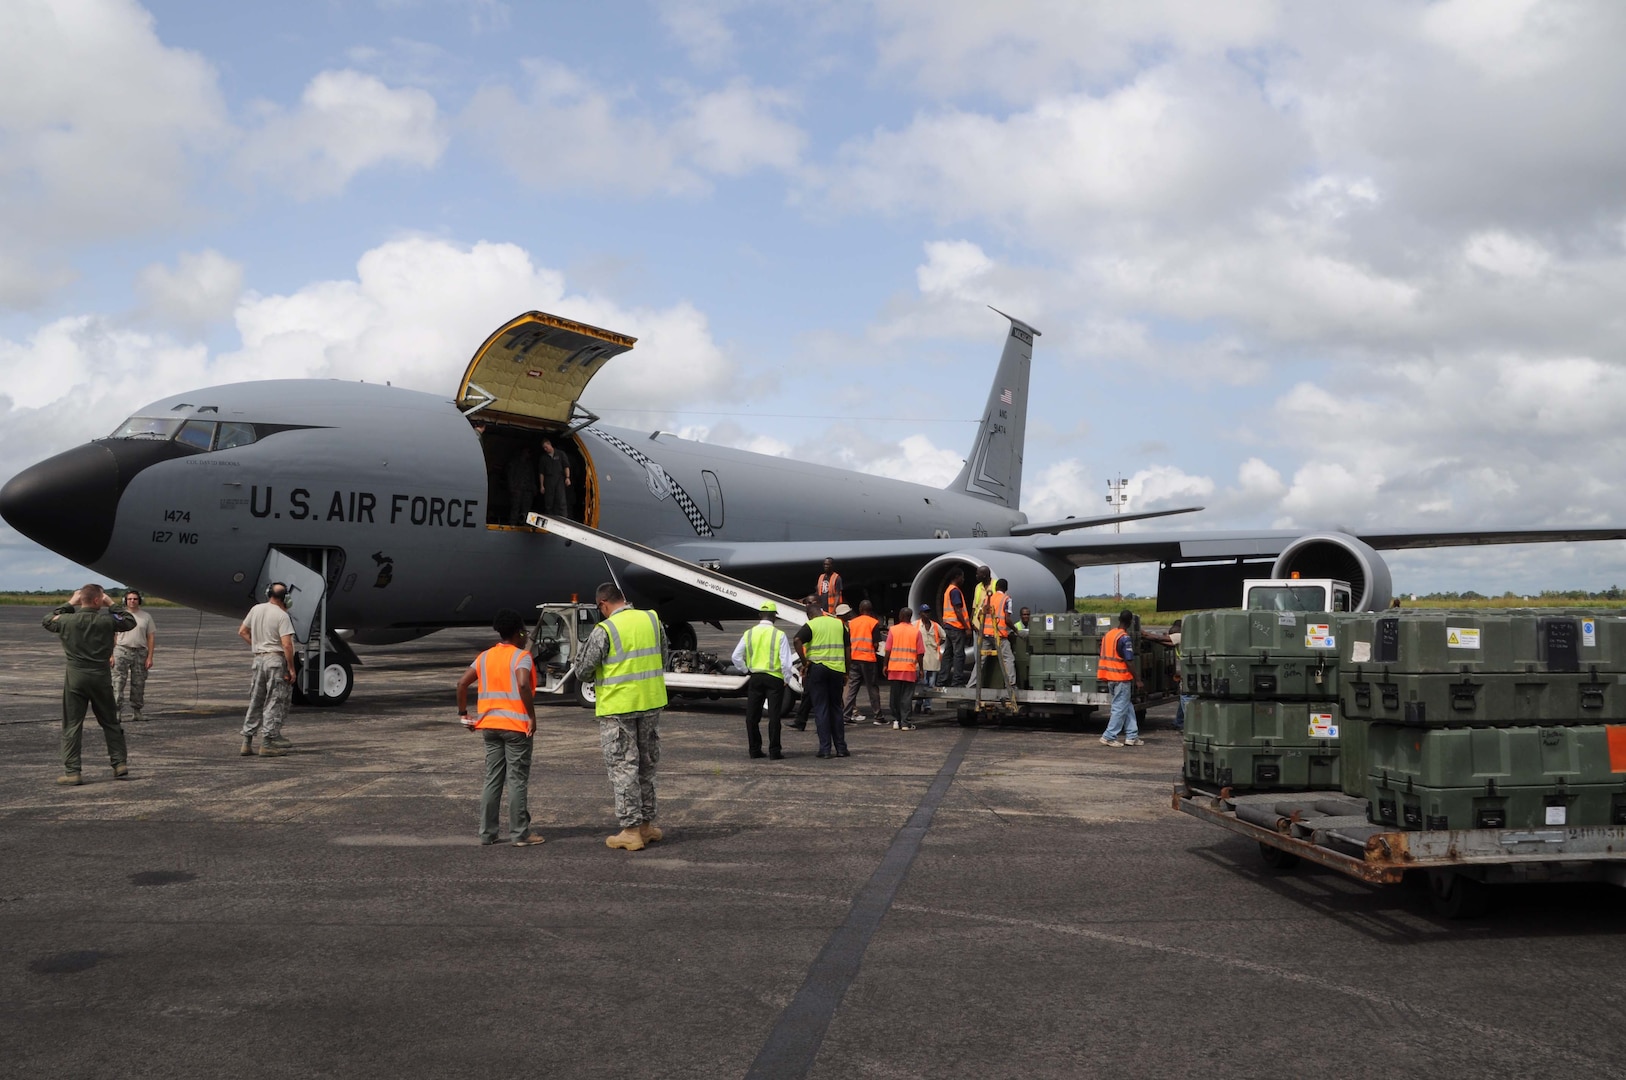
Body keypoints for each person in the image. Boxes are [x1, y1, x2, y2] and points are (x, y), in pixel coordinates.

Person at [574, 582, 668, 851]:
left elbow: (583, 670)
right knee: (646, 766)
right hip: (650, 703)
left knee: (624, 768)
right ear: (623, 599)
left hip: (619, 708)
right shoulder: (652, 619)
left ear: (603, 604)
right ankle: (647, 826)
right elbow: (662, 656)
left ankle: (630, 830)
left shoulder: (605, 629)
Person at [456, 609, 544, 846]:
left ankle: (488, 833)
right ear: (519, 633)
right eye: (524, 632)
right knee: (517, 780)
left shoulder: (484, 657)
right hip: (515, 727)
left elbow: (462, 683)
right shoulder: (521, 657)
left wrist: (464, 714)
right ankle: (520, 834)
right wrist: (531, 716)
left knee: (492, 779)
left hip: (490, 727)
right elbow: (523, 684)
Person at [43, 585, 137, 785]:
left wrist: (70, 603)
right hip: (100, 677)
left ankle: (73, 772)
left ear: (81, 599)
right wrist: (111, 604)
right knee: (110, 721)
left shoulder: (67, 620)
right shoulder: (107, 621)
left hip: (76, 677)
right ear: (98, 601)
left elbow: (47, 620)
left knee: (72, 726)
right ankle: (119, 764)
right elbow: (129, 621)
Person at [238, 583, 298, 758]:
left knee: (256, 699)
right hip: (275, 660)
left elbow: (242, 631)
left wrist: (257, 646)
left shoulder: (256, 609)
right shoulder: (282, 616)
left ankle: (247, 742)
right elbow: (287, 645)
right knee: (274, 700)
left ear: (268, 594)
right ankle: (267, 743)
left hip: (258, 659)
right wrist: (291, 668)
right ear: (285, 598)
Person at [731, 601, 796, 759]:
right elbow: (786, 663)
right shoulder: (779, 634)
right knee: (774, 717)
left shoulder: (749, 633)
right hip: (774, 679)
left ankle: (754, 750)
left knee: (752, 716)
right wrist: (787, 678)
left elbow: (735, 657)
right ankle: (774, 751)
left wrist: (746, 670)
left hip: (756, 677)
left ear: (760, 615)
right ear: (775, 617)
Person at [793, 600, 849, 759]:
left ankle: (825, 749)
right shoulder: (839, 624)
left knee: (821, 709)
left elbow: (797, 640)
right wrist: (846, 672)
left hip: (818, 669)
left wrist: (804, 663)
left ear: (810, 615)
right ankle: (841, 748)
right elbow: (847, 650)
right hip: (837, 669)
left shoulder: (812, 625)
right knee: (836, 708)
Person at [112, 588, 156, 722]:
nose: (132, 601)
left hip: (140, 652)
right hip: (121, 650)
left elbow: (151, 637)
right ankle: (117, 712)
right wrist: (111, 655)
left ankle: (137, 711)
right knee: (118, 682)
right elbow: (112, 635)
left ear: (139, 601)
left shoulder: (146, 617)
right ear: (125, 600)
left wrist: (150, 657)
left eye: (135, 599)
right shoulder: (119, 615)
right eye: (130, 599)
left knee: (139, 683)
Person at [1099, 609, 1142, 747]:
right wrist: (1138, 679)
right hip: (1121, 678)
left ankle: (1132, 736)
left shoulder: (1109, 634)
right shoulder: (1124, 638)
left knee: (1126, 706)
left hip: (1109, 677)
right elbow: (1129, 661)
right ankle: (1109, 736)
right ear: (1130, 622)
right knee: (1119, 707)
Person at [974, 578, 1018, 704]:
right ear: (1006, 588)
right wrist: (1016, 631)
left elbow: (978, 615)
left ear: (996, 587)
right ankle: (1011, 685)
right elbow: (1007, 619)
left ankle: (972, 685)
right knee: (1008, 659)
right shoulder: (1006, 599)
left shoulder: (987, 599)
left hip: (986, 634)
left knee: (980, 661)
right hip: (999, 635)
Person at [882, 607, 923, 729]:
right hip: (909, 669)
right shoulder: (916, 632)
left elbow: (888, 650)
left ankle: (896, 720)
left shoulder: (893, 630)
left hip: (894, 668)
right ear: (910, 617)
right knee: (906, 697)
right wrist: (921, 669)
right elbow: (920, 653)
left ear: (900, 616)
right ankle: (905, 722)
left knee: (895, 696)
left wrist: (885, 665)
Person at [843, 600, 883, 724]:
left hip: (854, 658)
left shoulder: (852, 623)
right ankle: (878, 716)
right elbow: (876, 644)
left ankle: (846, 716)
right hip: (868, 659)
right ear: (870, 611)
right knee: (872, 688)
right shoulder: (873, 623)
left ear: (860, 610)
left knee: (852, 688)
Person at [940, 568, 972, 687]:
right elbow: (958, 610)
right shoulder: (955, 591)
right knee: (959, 655)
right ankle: (957, 681)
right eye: (962, 577)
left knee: (948, 654)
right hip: (956, 627)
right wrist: (966, 627)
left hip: (949, 626)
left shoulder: (948, 590)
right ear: (957, 577)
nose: (963, 579)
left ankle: (942, 680)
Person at [915, 603, 943, 714]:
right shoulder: (915, 625)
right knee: (923, 682)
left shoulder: (935, 626)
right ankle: (918, 703)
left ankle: (927, 706)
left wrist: (937, 645)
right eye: (924, 612)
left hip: (933, 658)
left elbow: (944, 636)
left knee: (931, 684)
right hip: (922, 659)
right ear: (920, 614)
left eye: (928, 612)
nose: (927, 614)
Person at [539, 436, 571, 518]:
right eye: (544, 448)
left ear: (550, 444)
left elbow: (566, 466)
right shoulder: (543, 458)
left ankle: (563, 518)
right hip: (548, 480)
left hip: (559, 478)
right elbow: (541, 473)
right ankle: (549, 518)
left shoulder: (560, 454)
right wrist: (542, 485)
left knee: (561, 500)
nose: (545, 449)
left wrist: (567, 477)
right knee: (549, 501)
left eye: (546, 447)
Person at [506, 440, 537, 526]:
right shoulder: (515, 462)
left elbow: (532, 477)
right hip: (517, 489)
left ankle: (524, 524)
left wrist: (533, 488)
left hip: (527, 490)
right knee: (515, 508)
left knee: (526, 510)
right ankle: (513, 523)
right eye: (527, 452)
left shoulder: (529, 464)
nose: (528, 454)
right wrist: (511, 488)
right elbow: (510, 475)